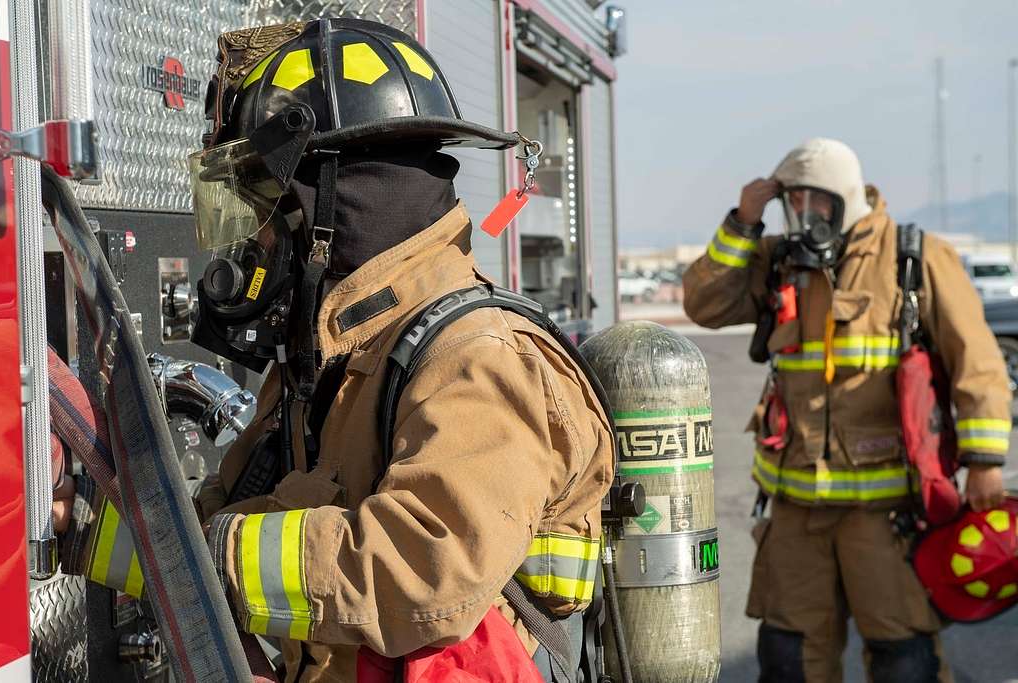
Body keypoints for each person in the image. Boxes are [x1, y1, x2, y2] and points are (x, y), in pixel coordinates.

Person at [56, 18, 613, 682]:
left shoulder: (478, 358)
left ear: (327, 206)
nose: (250, 238)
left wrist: (218, 553)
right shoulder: (329, 360)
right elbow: (210, 528)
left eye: (257, 202)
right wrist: (76, 518)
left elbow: (421, 568)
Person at [682, 137, 1011, 682]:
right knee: (789, 658)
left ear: (846, 198)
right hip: (794, 510)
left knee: (904, 660)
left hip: (885, 514)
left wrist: (984, 461)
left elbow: (978, 362)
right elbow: (704, 304)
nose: (806, 215)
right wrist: (743, 223)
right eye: (795, 203)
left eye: (817, 202)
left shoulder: (915, 258)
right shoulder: (781, 262)